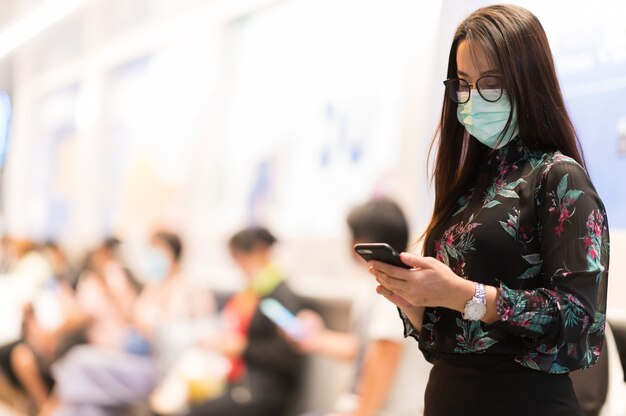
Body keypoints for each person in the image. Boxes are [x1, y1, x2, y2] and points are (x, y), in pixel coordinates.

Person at [369, 5, 609, 416]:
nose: (473, 98)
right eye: (463, 83)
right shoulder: (469, 185)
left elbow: (579, 323)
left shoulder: (558, 178)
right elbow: (451, 331)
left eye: (491, 82)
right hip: (448, 392)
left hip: (523, 401)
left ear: (527, 82)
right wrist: (417, 300)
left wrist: (467, 296)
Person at [292, 197, 430, 416]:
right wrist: (316, 338)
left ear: (361, 240)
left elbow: (385, 354)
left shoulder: (393, 287)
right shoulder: (375, 284)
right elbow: (361, 349)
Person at [188, 226, 306, 416]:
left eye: (239, 257)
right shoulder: (252, 293)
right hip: (241, 380)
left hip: (264, 391)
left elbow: (287, 353)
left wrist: (244, 348)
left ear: (261, 251)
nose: (238, 265)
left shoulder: (280, 297)